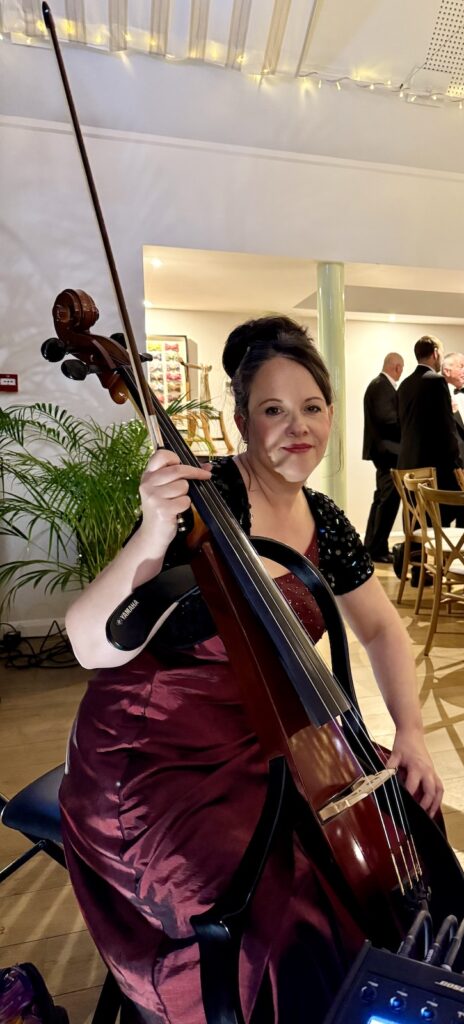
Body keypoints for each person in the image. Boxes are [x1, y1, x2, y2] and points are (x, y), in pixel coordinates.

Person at [59, 316, 443, 1024]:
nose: (296, 428)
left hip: (278, 742)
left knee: (405, 821)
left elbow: (383, 628)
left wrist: (412, 731)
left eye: (312, 408)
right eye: (273, 410)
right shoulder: (203, 505)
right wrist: (151, 527)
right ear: (241, 421)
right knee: (280, 918)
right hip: (155, 756)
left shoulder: (326, 519)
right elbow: (88, 643)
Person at [397, 335, 462, 525]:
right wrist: (457, 462)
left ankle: (416, 555)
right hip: (432, 466)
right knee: (442, 517)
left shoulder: (404, 385)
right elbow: (446, 426)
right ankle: (441, 553)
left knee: (416, 519)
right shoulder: (436, 381)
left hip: (407, 463)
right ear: (435, 353)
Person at [362, 351, 404, 563]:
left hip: (385, 452)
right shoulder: (381, 386)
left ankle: (372, 546)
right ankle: (376, 549)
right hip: (388, 453)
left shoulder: (379, 385)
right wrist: (408, 421)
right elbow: (387, 420)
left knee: (381, 500)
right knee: (387, 502)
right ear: (397, 367)